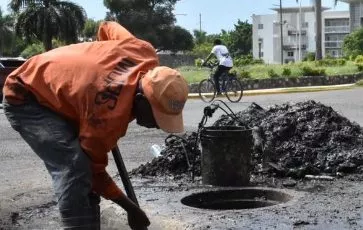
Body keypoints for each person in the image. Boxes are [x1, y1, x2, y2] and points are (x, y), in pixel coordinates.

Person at [2, 21, 188, 230]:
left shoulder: (143, 52)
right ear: (140, 99)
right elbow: (93, 172)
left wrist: (102, 63)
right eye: (156, 117)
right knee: (74, 167)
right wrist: (131, 209)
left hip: (59, 93)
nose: (157, 126)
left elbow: (107, 27)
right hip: (26, 96)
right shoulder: (106, 118)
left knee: (83, 172)